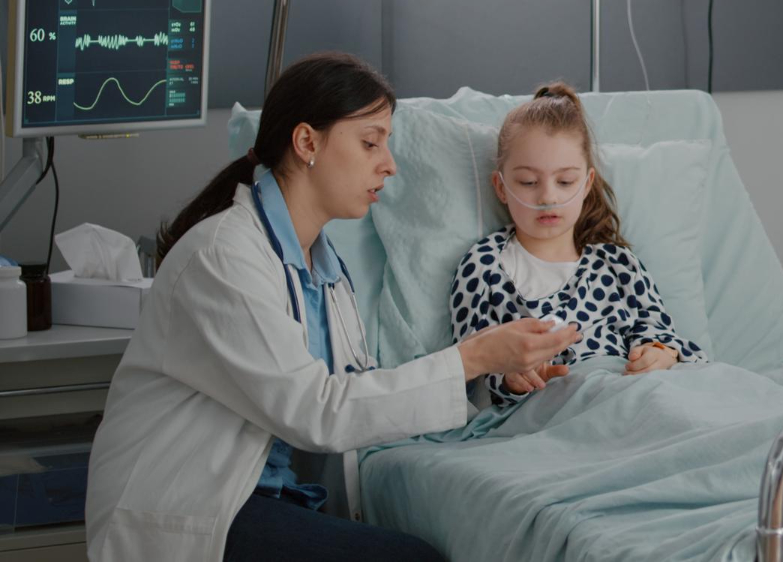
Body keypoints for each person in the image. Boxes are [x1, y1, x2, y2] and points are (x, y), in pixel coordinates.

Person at [85, 52, 581, 562]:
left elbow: (361, 394)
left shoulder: (323, 269)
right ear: (306, 143)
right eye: (370, 143)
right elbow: (317, 410)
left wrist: (481, 364)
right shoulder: (223, 257)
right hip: (192, 509)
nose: (389, 163)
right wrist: (470, 359)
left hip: (268, 498)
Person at [451, 82, 704, 409]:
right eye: (528, 182)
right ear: (501, 187)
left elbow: (661, 333)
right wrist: (511, 380)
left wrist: (659, 354)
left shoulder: (618, 265)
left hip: (627, 401)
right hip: (543, 416)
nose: (548, 197)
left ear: (586, 184)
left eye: (565, 181)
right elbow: (464, 371)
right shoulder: (482, 267)